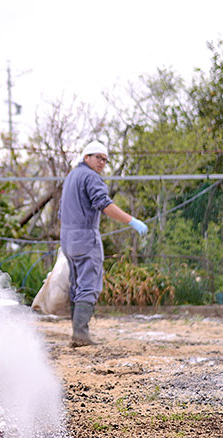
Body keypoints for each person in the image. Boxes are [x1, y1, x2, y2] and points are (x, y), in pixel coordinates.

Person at [59, 141, 148, 347]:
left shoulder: (71, 177)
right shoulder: (91, 177)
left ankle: (78, 331)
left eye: (105, 159)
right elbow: (104, 204)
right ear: (86, 157)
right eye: (98, 157)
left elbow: (61, 211)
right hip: (85, 237)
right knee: (88, 285)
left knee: (77, 284)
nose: (102, 162)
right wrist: (130, 220)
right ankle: (80, 334)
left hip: (67, 239)